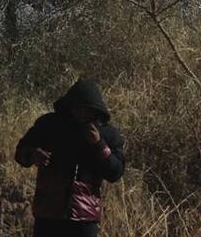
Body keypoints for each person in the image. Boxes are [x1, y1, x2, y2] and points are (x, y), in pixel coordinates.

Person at [14, 79, 125, 237]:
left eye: (86, 110)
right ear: (69, 106)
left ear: (95, 110)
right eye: (77, 108)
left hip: (84, 218)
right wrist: (33, 154)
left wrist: (99, 144)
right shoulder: (49, 125)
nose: (81, 113)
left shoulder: (107, 133)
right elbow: (20, 153)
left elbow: (115, 172)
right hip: (48, 214)